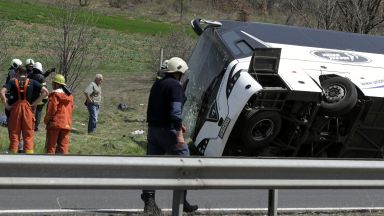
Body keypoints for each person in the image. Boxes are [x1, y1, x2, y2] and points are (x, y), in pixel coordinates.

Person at [141, 57, 198, 214]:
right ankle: (181, 200)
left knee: (152, 167)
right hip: (168, 131)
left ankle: (149, 201)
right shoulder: (175, 86)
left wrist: (177, 123)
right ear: (178, 72)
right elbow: (175, 112)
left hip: (153, 131)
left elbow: (160, 110)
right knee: (184, 160)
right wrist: (179, 133)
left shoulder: (157, 84)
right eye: (183, 73)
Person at [0, 66, 49, 154]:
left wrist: (7, 105)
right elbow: (46, 92)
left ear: (18, 72)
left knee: (14, 134)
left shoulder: (12, 82)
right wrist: (35, 103)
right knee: (28, 135)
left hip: (16, 110)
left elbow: (2, 92)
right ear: (26, 73)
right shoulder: (32, 82)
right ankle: (29, 160)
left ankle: (13, 157)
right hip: (28, 110)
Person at [44, 74, 74, 154]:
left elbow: (51, 109)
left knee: (51, 146)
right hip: (66, 124)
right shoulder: (70, 96)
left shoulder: (54, 94)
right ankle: (63, 164)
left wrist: (46, 120)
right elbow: (71, 109)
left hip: (55, 124)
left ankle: (50, 164)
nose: (52, 85)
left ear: (57, 84)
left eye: (53, 83)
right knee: (63, 147)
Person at [28, 62, 54, 131]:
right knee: (39, 110)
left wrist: (49, 71)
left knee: (30, 110)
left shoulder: (30, 75)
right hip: (40, 97)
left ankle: (29, 124)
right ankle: (36, 126)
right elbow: (44, 88)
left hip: (30, 96)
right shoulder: (41, 77)